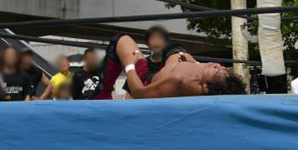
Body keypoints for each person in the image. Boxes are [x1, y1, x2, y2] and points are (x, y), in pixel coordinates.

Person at [98, 35, 245, 100]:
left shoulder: (178, 81)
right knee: (176, 48)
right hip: (171, 66)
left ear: (206, 87)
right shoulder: (202, 78)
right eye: (222, 67)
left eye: (216, 71)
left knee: (121, 40)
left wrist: (130, 66)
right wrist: (195, 63)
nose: (216, 65)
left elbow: (139, 93)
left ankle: (102, 93)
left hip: (146, 79)